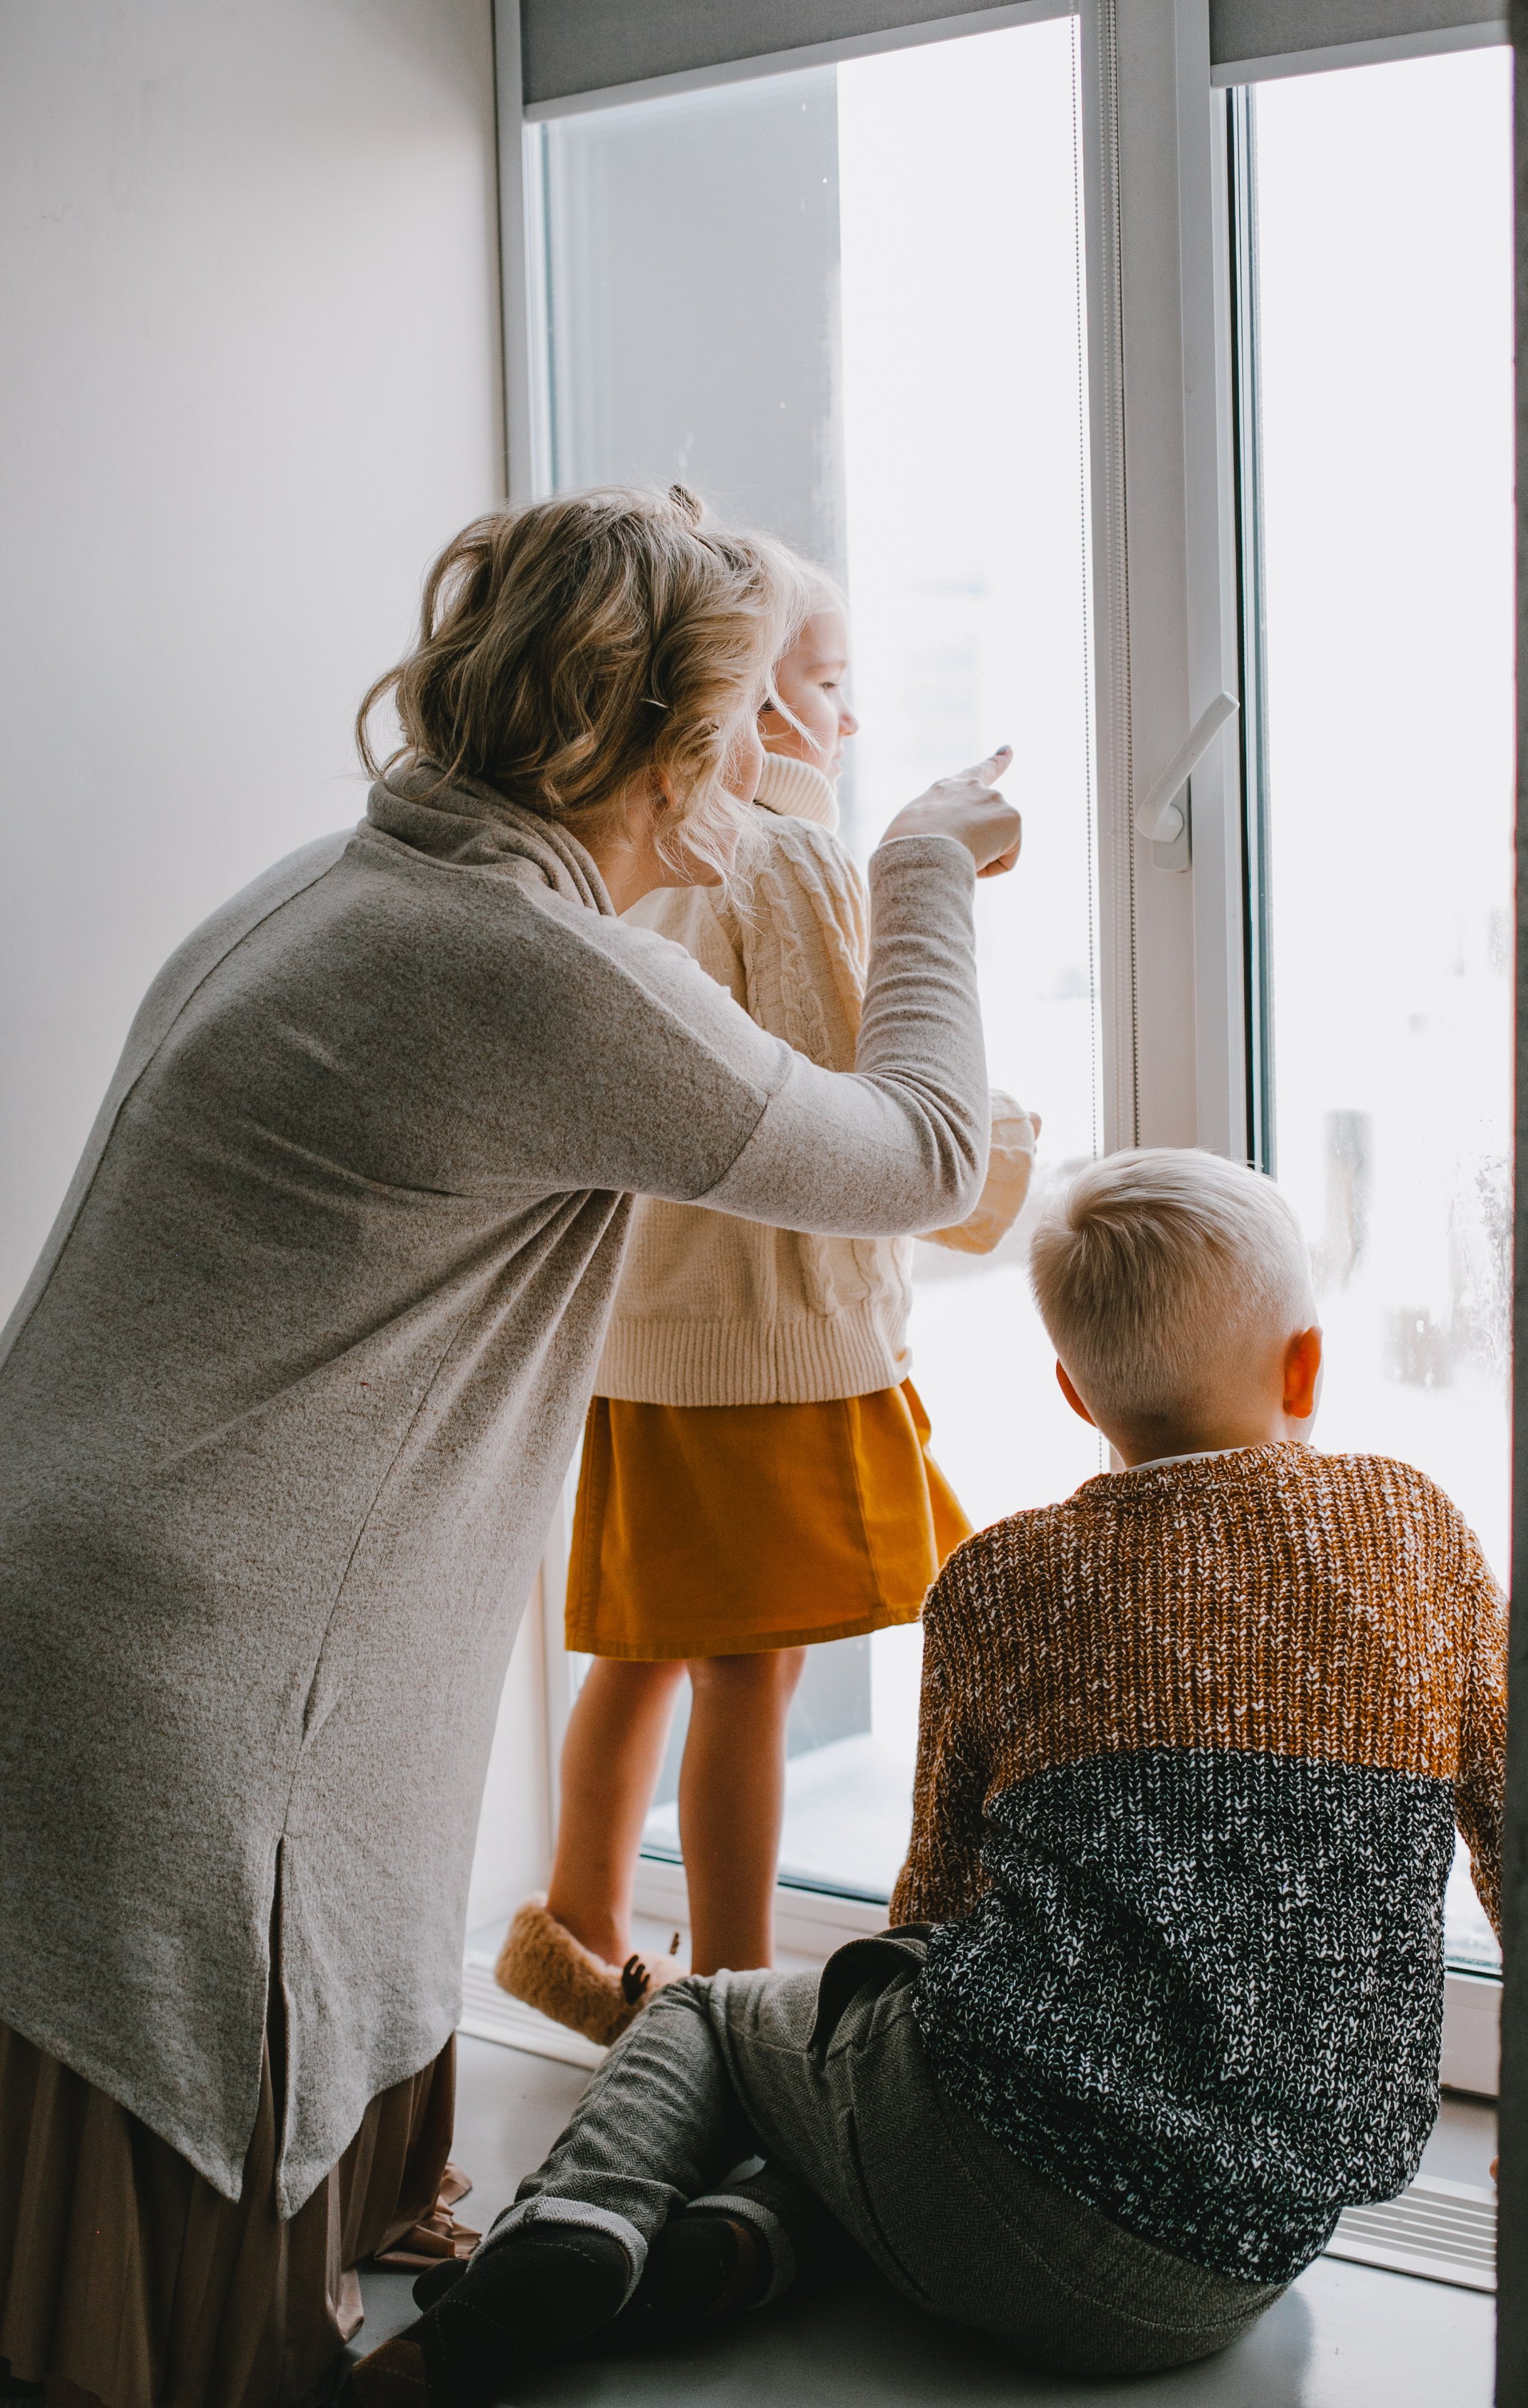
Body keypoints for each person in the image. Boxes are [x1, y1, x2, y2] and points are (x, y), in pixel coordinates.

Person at [0, 485, 1023, 2406]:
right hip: (176, 1659)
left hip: (73, 1580)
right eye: (743, 732)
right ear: (657, 745)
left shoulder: (336, 882)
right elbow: (922, 1160)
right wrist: (926, 864)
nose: (758, 775)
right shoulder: (535, 971)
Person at [345, 1146, 1507, 2401]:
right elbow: (1521, 1828)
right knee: (895, 2139)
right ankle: (744, 2248)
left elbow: (935, 1908)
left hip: (978, 2185)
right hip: (1236, 2264)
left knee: (714, 2017)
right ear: (1304, 1365)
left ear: (1072, 1392)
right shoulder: (1415, 1532)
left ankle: (577, 2227)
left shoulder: (1003, 1579)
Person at [493, 569, 1035, 2034]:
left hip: (648, 1333)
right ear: (758, 703)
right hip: (762, 1345)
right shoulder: (789, 858)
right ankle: (728, 2009)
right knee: (752, 1672)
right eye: (836, 680)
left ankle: (581, 1931)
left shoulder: (643, 860)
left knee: (643, 1645)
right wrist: (1011, 1158)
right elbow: (856, 1101)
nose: (855, 713)